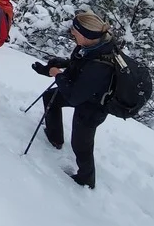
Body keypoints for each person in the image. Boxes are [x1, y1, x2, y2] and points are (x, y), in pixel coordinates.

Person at [30, 11, 117, 189]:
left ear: (86, 34)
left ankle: (86, 180)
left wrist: (57, 74)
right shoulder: (91, 47)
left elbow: (74, 96)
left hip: (94, 107)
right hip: (84, 94)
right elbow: (79, 65)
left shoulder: (100, 64)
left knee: (81, 145)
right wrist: (57, 66)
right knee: (51, 97)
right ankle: (55, 138)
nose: (72, 33)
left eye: (75, 31)